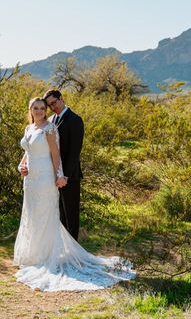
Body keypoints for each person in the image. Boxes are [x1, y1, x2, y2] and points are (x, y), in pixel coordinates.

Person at [13, 97, 134, 291]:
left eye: (42, 108)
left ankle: (47, 256)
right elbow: (28, 152)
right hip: (31, 180)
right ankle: (33, 255)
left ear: (46, 110)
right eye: (35, 108)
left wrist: (60, 175)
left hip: (45, 178)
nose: (39, 111)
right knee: (33, 215)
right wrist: (21, 165)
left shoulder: (49, 128)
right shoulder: (29, 129)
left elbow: (55, 154)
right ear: (30, 109)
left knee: (46, 216)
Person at [42, 89, 84, 241]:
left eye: (54, 103)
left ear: (61, 99)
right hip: (53, 175)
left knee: (71, 214)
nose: (53, 107)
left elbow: (75, 151)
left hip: (69, 176)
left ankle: (73, 250)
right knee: (59, 213)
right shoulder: (51, 120)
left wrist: (64, 175)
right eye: (49, 105)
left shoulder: (75, 119)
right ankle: (62, 246)